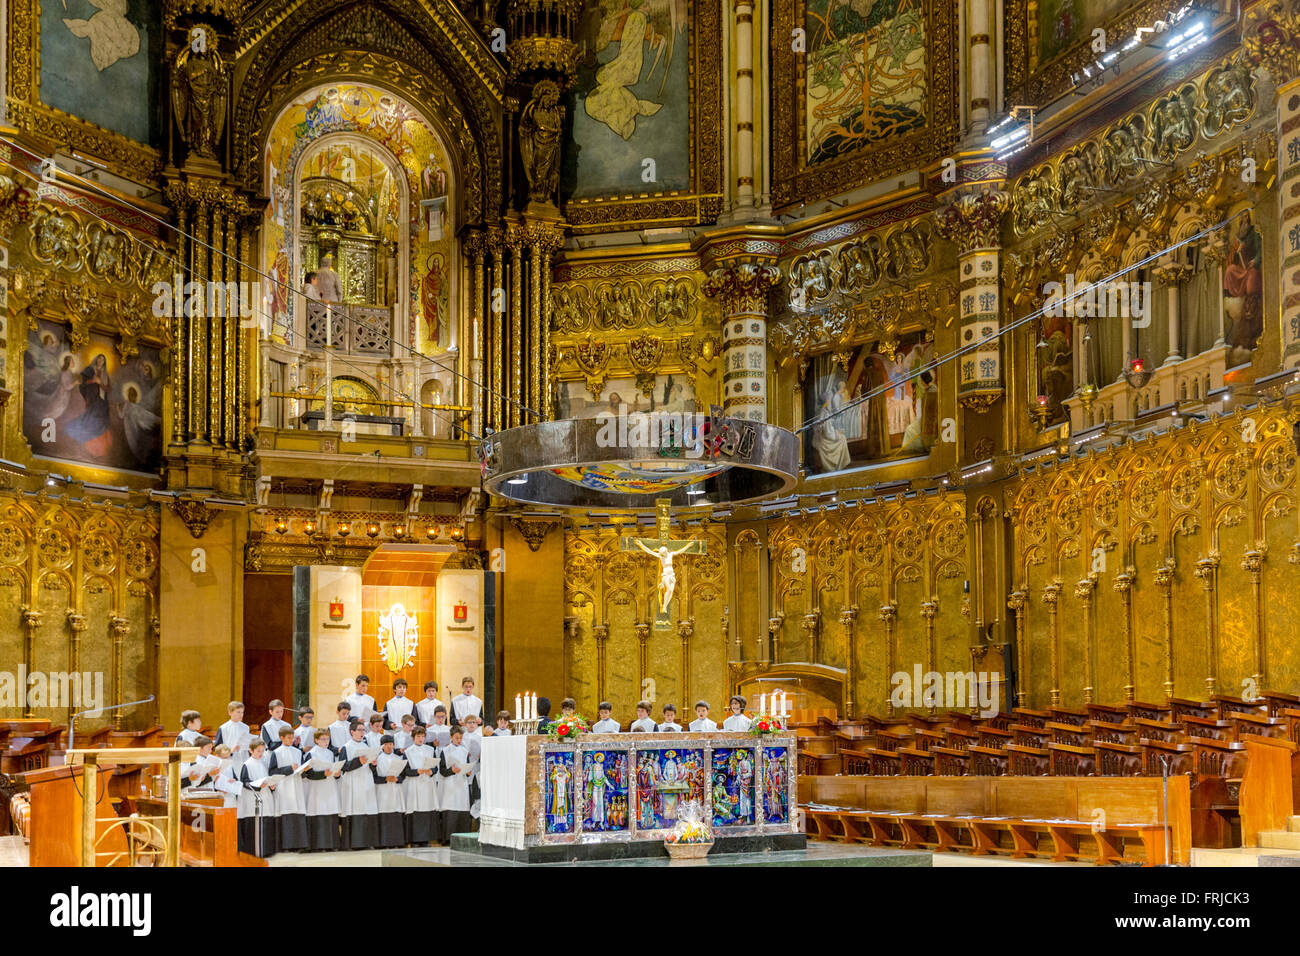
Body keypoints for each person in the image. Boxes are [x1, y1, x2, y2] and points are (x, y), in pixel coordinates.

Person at [337, 720, 379, 850]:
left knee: (367, 810)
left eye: (363, 730)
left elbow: (372, 769)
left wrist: (373, 765)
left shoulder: (367, 747)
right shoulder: (346, 747)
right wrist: (358, 761)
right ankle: (351, 844)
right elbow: (343, 766)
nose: (362, 733)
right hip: (352, 783)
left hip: (366, 781)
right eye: (359, 730)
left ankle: (367, 842)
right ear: (352, 732)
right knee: (353, 810)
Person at [301, 728, 341, 851]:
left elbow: (333, 768)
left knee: (330, 812)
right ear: (316, 740)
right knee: (319, 812)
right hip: (316, 788)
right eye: (323, 739)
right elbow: (307, 773)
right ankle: (318, 845)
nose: (326, 741)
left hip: (329, 786)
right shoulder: (311, 754)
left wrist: (336, 773)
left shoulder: (330, 753)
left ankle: (332, 844)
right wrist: (323, 774)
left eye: (327, 739)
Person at [237, 739, 279, 857]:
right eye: (258, 751)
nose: (261, 753)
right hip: (252, 799)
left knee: (266, 823)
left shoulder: (264, 762)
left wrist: (272, 785)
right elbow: (245, 782)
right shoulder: (247, 764)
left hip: (266, 797)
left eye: (263, 750)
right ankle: (253, 852)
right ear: (251, 750)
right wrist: (258, 785)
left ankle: (266, 851)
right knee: (254, 826)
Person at [269, 726, 308, 852]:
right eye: (289, 738)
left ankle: (298, 844)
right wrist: (289, 768)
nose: (291, 740)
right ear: (282, 738)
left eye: (293, 738)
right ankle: (285, 846)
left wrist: (304, 770)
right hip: (284, 786)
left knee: (297, 812)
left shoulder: (297, 752)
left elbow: (301, 768)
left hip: (296, 785)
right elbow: (272, 771)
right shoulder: (276, 752)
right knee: (285, 813)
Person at [401, 724, 440, 845]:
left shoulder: (430, 750)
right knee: (415, 812)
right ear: (413, 737)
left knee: (427, 811)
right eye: (418, 736)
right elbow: (405, 771)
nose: (421, 739)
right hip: (414, 784)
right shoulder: (408, 752)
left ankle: (426, 839)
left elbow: (435, 768)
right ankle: (414, 840)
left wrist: (431, 771)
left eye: (423, 736)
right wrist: (416, 771)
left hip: (427, 784)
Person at [439, 726, 474, 838]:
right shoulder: (445, 751)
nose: (459, 740)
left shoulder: (464, 751)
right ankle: (448, 839)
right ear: (451, 737)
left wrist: (468, 772)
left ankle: (462, 838)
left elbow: (467, 766)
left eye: (460, 738)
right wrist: (452, 770)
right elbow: (442, 771)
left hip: (462, 784)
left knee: (462, 808)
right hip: (450, 784)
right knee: (451, 810)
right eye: (456, 738)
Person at [373, 735, 407, 848]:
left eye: (391, 744)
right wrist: (385, 779)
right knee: (385, 815)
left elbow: (403, 774)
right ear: (382, 746)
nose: (389, 747)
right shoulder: (377, 759)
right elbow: (373, 777)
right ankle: (384, 843)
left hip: (395, 790)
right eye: (387, 744)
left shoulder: (398, 758)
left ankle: (397, 842)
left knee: (396, 814)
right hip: (383, 791)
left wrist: (398, 779)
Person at [215, 700, 251, 772]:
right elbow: (218, 748)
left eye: (242, 712)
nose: (241, 714)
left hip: (243, 758)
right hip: (229, 760)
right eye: (238, 712)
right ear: (230, 712)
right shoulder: (223, 728)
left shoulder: (246, 727)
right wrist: (230, 751)